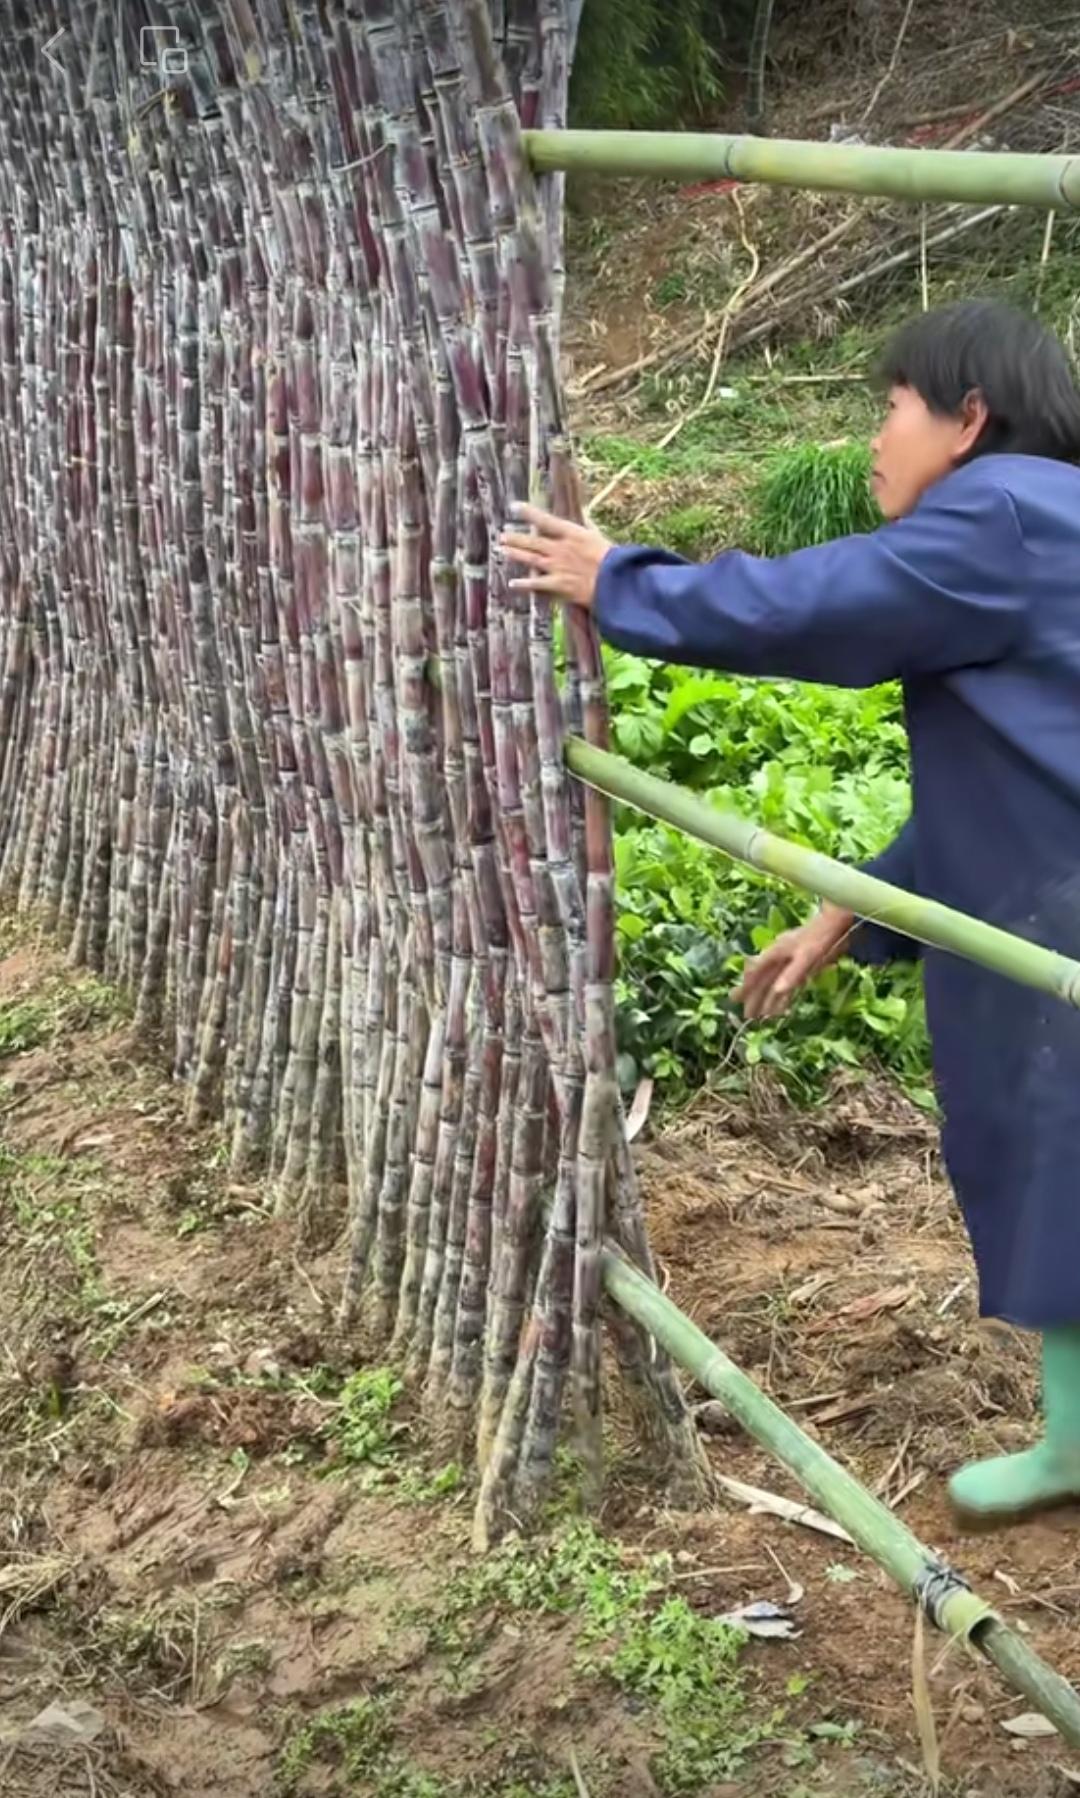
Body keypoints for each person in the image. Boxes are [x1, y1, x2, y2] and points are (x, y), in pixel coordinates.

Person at [500, 299, 1080, 1531]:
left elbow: (817, 606)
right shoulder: (1047, 526)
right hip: (1052, 888)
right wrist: (842, 917)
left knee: (1066, 1146)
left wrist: (625, 583)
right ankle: (1074, 1439)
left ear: (968, 418)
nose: (876, 435)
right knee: (1060, 1160)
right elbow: (1028, 791)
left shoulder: (1003, 513)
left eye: (892, 405)